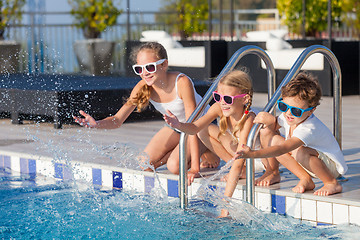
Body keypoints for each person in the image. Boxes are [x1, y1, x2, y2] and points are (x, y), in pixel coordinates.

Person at [73, 42, 218, 185]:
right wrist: (97, 123)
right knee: (144, 163)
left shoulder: (181, 82)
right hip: (176, 127)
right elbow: (117, 120)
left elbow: (191, 123)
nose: (145, 73)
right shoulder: (143, 87)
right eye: (139, 69)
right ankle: (189, 151)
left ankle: (207, 149)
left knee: (175, 167)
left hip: (200, 128)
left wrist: (194, 168)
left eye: (149, 67)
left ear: (164, 65)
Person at [164, 70, 271, 217]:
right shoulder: (219, 107)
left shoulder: (249, 119)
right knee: (204, 130)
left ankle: (246, 172)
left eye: (227, 98)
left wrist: (225, 206)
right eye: (218, 96)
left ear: (244, 99)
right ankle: (242, 172)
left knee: (238, 160)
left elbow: (240, 159)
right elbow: (195, 127)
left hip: (257, 160)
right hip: (240, 156)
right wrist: (179, 124)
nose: (222, 103)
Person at [236, 72, 348, 196]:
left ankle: (331, 183)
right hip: (310, 161)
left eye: (296, 110)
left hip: (330, 168)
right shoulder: (290, 117)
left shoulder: (308, 128)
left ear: (311, 110)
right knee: (267, 132)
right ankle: (304, 178)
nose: (288, 113)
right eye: (283, 106)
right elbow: (273, 127)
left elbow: (282, 149)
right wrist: (269, 120)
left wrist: (253, 154)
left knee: (299, 151)